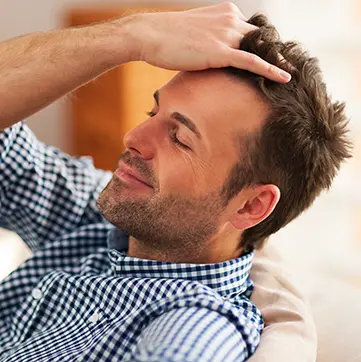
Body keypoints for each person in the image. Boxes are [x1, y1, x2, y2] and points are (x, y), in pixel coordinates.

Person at [0, 2, 349, 361]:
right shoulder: (108, 221)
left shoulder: (194, 330)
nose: (133, 137)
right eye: (153, 112)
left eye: (180, 138)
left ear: (250, 205)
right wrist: (130, 35)